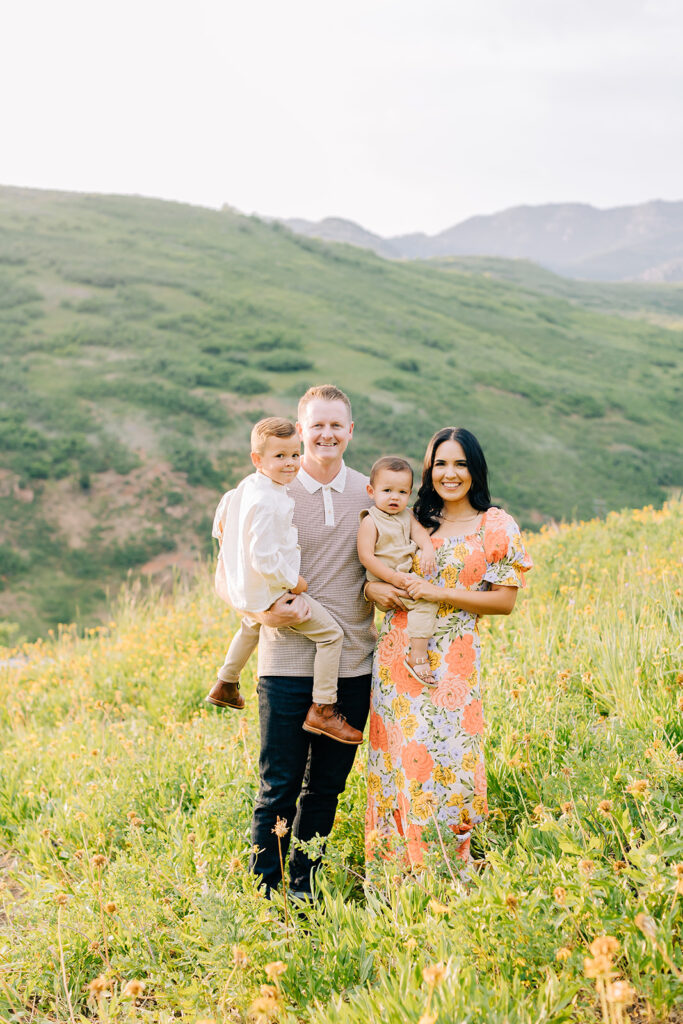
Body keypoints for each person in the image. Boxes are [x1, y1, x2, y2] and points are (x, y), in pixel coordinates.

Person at [364, 427, 532, 879]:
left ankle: (448, 875)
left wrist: (440, 593)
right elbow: (369, 564)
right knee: (400, 763)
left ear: (475, 469)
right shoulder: (411, 514)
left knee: (451, 761)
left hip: (455, 662)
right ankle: (396, 880)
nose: (450, 473)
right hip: (398, 656)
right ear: (428, 469)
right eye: (440, 463)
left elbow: (504, 600)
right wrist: (373, 587)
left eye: (459, 463)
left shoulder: (495, 524)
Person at [246, 385, 375, 899]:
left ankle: (305, 892)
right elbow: (232, 571)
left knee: (324, 789)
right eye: (315, 425)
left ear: (350, 432)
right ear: (300, 430)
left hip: (352, 666)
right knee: (277, 787)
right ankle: (263, 893)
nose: (326, 434)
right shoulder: (268, 489)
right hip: (283, 663)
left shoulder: (372, 492)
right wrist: (255, 609)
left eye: (336, 425)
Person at [207, 416, 362, 746]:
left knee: (250, 624)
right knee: (332, 635)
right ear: (257, 459)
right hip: (277, 591)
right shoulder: (270, 500)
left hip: (253, 590)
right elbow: (263, 557)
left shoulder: (248, 488)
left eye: (294, 454)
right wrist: (295, 582)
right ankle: (323, 708)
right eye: (280, 456)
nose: (290, 463)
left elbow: (224, 525)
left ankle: (226, 681)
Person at [357, 456, 439, 685]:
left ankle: (414, 643)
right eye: (387, 490)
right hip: (386, 580)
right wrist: (392, 578)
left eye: (402, 492)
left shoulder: (407, 515)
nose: (395, 497)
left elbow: (420, 533)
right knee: (426, 601)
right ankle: (418, 655)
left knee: (424, 597)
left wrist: (429, 548)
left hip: (403, 576)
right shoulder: (371, 521)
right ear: (371, 491)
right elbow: (366, 556)